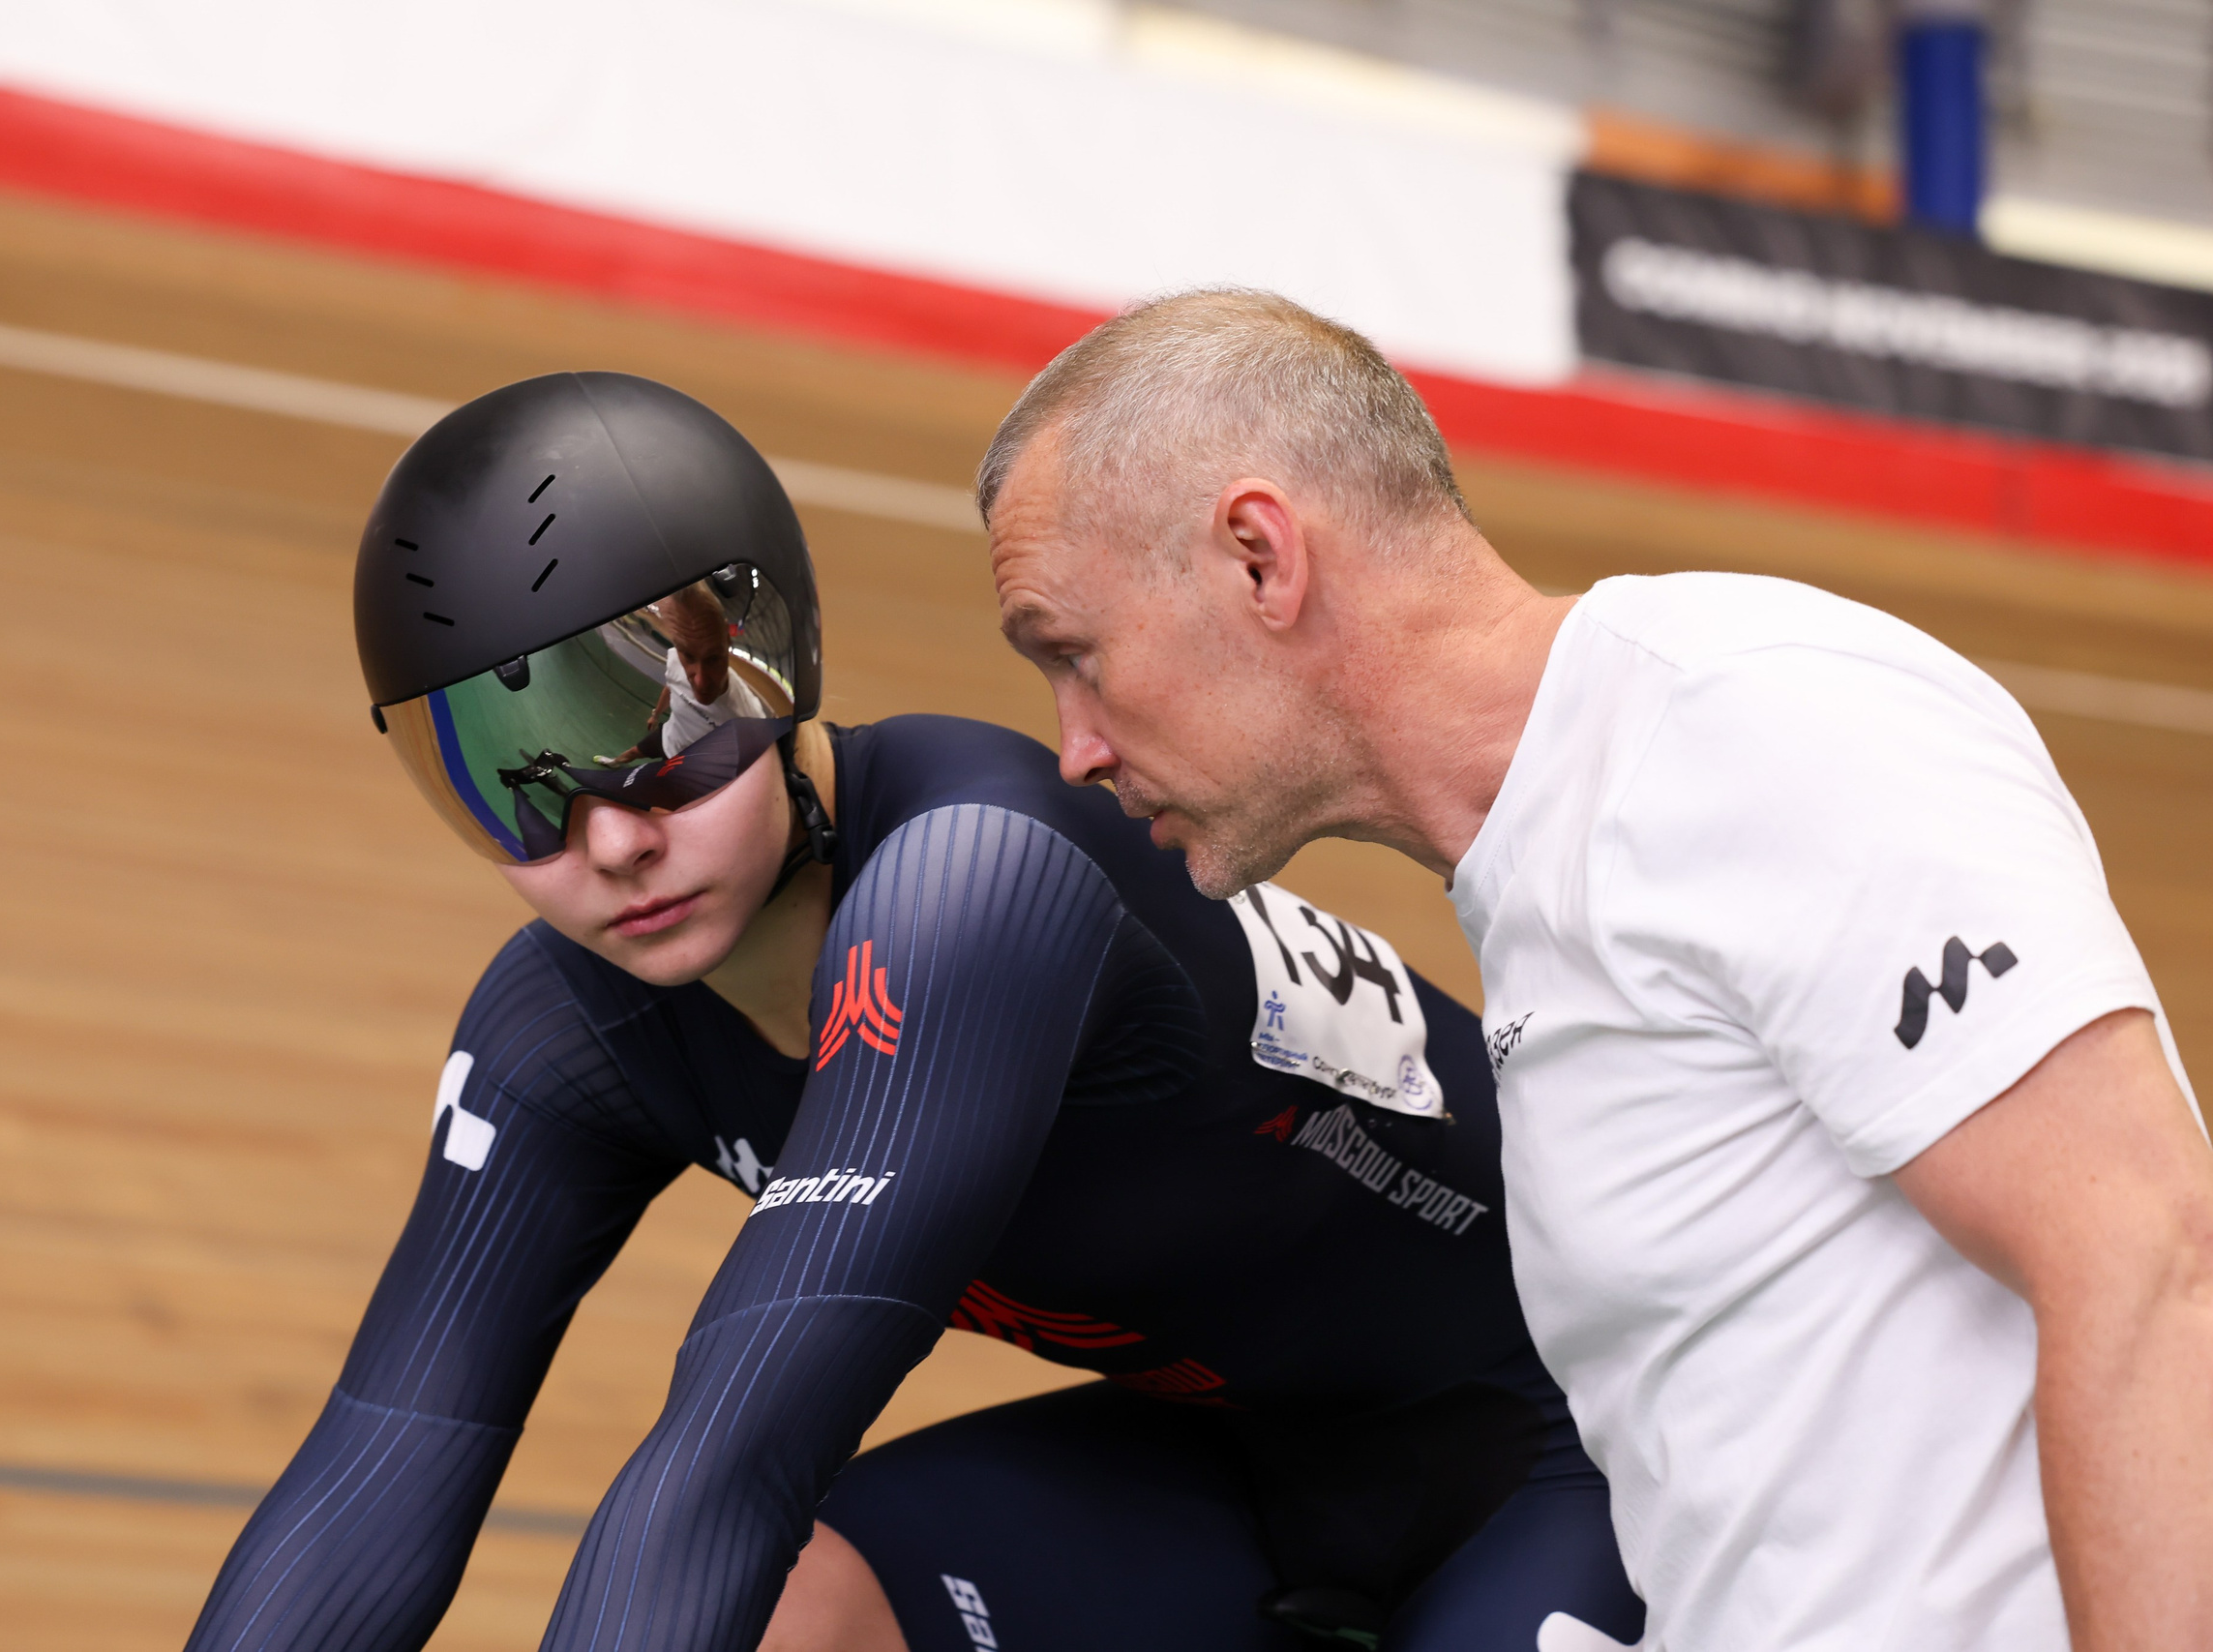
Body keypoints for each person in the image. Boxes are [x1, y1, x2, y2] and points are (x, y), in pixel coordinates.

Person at [182, 372, 1643, 1652]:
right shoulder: (568, 1027)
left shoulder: (975, 890)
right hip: (1229, 1459)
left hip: (1571, 1439)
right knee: (787, 1616)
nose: (613, 839)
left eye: (663, 736)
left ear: (782, 662)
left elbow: (729, 1459)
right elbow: (381, 1466)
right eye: (517, 789)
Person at [976, 288, 2213, 1652]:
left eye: (1073, 655)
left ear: (1262, 559)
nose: (1074, 744)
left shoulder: (1754, 725)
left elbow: (2149, 1253)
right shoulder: (1549, 865)